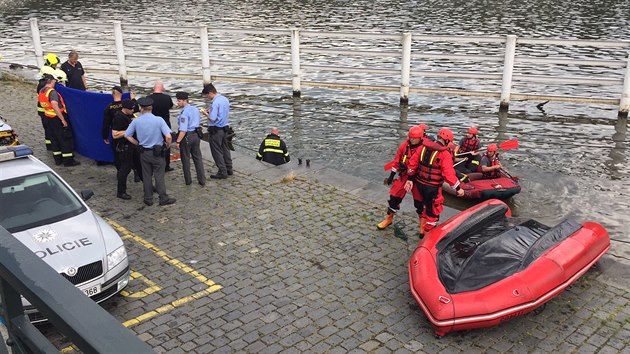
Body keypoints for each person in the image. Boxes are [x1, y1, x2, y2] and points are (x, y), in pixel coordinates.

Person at [404, 128, 464, 237]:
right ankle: (427, 236)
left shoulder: (422, 147)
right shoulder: (444, 154)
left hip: (419, 184)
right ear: (447, 141)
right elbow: (449, 174)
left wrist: (410, 179)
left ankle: (422, 230)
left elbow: (412, 164)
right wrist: (458, 188)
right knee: (433, 212)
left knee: (422, 207)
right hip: (432, 188)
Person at [124, 97, 176, 206]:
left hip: (144, 153)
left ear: (141, 109)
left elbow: (127, 135)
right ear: (151, 108)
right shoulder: (159, 120)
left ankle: (148, 198)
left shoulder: (136, 121)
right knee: (159, 175)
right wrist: (167, 145)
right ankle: (163, 198)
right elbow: (168, 136)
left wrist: (137, 143)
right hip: (157, 152)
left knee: (146, 175)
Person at [377, 125, 425, 230]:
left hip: (417, 179)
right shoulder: (404, 146)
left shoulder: (424, 149)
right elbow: (397, 161)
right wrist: (391, 176)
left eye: (414, 138)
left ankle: (423, 224)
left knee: (419, 202)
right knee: (394, 197)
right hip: (404, 176)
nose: (412, 140)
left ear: (420, 138)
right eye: (410, 137)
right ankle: (388, 219)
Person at [37, 74, 80, 166]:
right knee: (64, 139)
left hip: (48, 117)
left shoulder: (41, 91)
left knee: (54, 139)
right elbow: (54, 105)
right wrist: (63, 119)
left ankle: (58, 159)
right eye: (54, 82)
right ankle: (68, 160)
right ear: (51, 81)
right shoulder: (52, 92)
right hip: (56, 118)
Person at [111, 99, 142, 200]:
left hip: (133, 145)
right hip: (124, 147)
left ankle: (148, 185)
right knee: (125, 169)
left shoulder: (130, 114)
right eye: (130, 109)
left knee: (140, 166)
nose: (133, 110)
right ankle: (121, 191)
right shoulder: (118, 118)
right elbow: (114, 135)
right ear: (124, 108)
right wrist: (129, 131)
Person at [201, 83, 233, 179]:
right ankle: (229, 168)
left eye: (207, 95)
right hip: (224, 128)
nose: (207, 97)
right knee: (225, 149)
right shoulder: (224, 99)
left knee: (216, 151)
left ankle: (222, 172)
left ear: (210, 92)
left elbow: (213, 118)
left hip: (216, 130)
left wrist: (205, 113)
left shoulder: (215, 103)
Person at [174, 91, 206, 186]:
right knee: (198, 158)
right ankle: (202, 179)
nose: (178, 103)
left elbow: (183, 130)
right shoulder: (195, 109)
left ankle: (188, 180)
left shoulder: (184, 113)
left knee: (185, 158)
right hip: (196, 135)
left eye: (179, 101)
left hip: (187, 136)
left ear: (184, 101)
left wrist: (178, 141)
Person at [148, 80, 175, 172]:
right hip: (165, 123)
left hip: (152, 124)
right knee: (167, 143)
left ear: (153, 88)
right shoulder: (167, 98)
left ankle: (153, 163)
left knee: (153, 143)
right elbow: (171, 106)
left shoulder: (149, 98)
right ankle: (166, 165)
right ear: (162, 88)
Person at [37, 53, 60, 151]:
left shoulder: (41, 82)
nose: (56, 67)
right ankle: (51, 145)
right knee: (49, 129)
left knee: (47, 128)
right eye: (55, 65)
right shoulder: (45, 86)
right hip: (46, 110)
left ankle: (50, 145)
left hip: (43, 109)